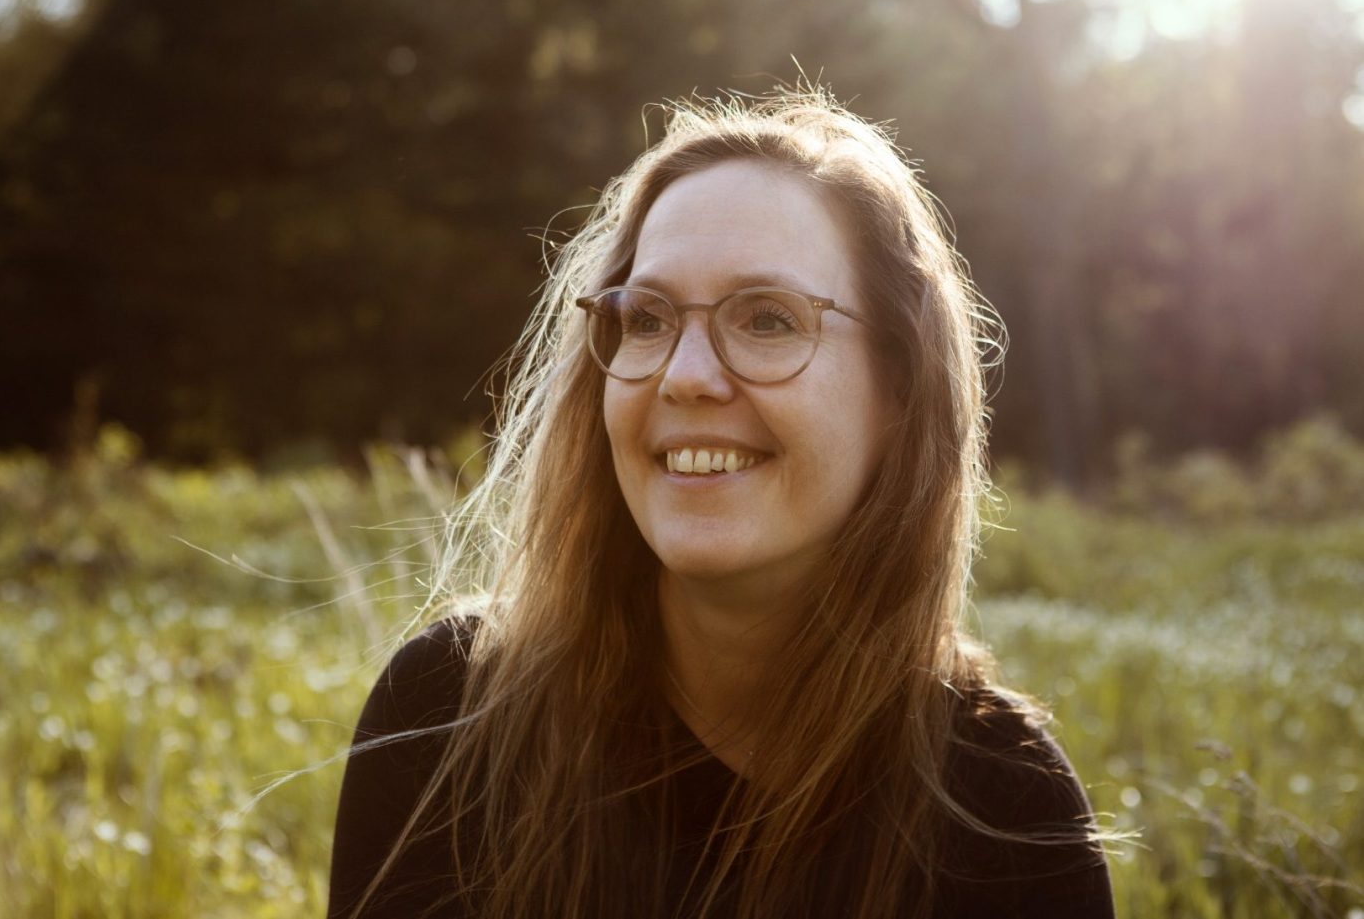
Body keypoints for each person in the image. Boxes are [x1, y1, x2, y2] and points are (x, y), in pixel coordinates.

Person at [328, 89, 1115, 919]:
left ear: (899, 390)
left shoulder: (1007, 816)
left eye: (768, 319)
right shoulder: (447, 718)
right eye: (648, 317)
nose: (684, 375)